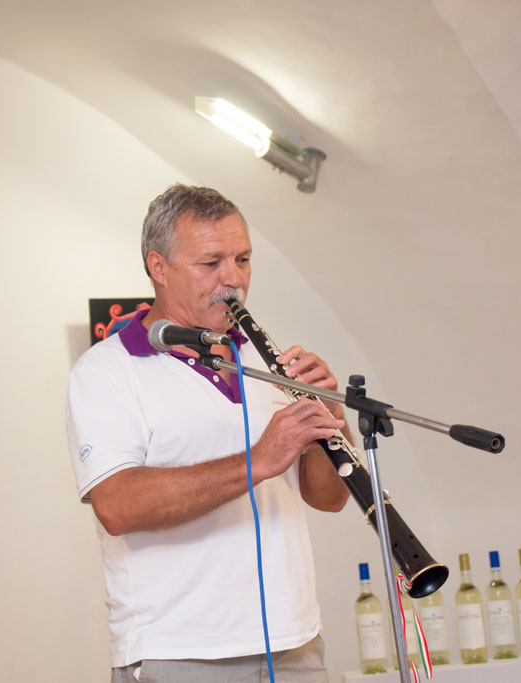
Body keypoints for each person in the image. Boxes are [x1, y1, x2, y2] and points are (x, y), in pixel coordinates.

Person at [66, 183, 351, 682]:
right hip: (180, 649)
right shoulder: (107, 370)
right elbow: (117, 506)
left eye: (243, 259)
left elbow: (328, 498)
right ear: (159, 268)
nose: (233, 279)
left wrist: (330, 417)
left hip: (294, 642)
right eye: (211, 262)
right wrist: (259, 460)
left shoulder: (266, 360)